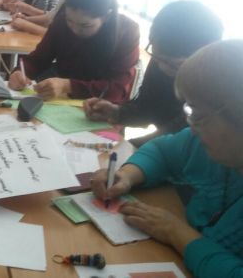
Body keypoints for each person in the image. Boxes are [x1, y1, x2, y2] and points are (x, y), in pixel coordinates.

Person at [91, 39, 243, 278]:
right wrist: (127, 175)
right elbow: (162, 151)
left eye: (198, 115)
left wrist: (176, 232)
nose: (192, 128)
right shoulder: (212, 147)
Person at [84, 0, 223, 145]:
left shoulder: (216, 91)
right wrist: (116, 112)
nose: (162, 67)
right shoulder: (163, 58)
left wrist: (128, 146)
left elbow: (178, 135)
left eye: (174, 64)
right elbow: (147, 107)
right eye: (157, 57)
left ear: (203, 57)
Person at [8, 0, 140, 103]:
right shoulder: (61, 22)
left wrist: (68, 86)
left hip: (102, 107)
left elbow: (117, 89)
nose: (75, 29)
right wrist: (19, 72)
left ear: (107, 16)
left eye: (85, 25)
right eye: (70, 21)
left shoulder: (127, 32)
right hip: (62, 100)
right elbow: (38, 59)